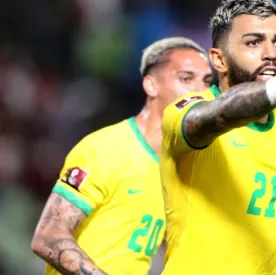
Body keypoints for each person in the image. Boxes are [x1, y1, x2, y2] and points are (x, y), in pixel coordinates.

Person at [160, 0, 276, 274]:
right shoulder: (187, 113)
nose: (270, 53)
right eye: (253, 43)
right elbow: (219, 115)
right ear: (219, 59)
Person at [31, 37, 212, 275]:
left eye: (208, 82)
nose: (202, 91)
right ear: (151, 85)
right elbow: (48, 236)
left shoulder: (182, 169)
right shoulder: (106, 148)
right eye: (186, 78)